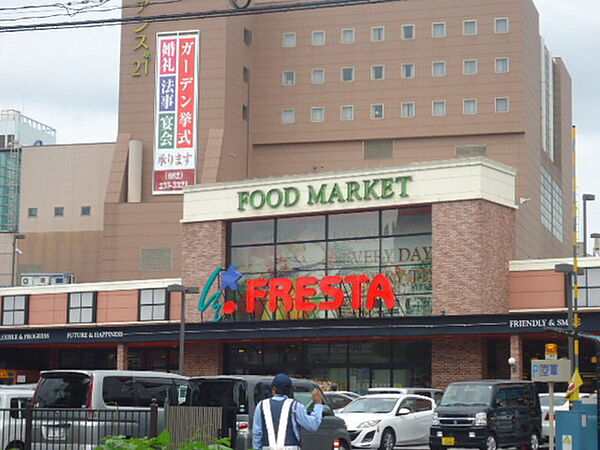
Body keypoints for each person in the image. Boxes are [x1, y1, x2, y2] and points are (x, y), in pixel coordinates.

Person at [252, 373, 324, 450]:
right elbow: (313, 425)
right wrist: (318, 404)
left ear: (273, 389)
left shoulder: (261, 405)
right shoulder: (295, 405)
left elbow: (257, 434)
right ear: (289, 389)